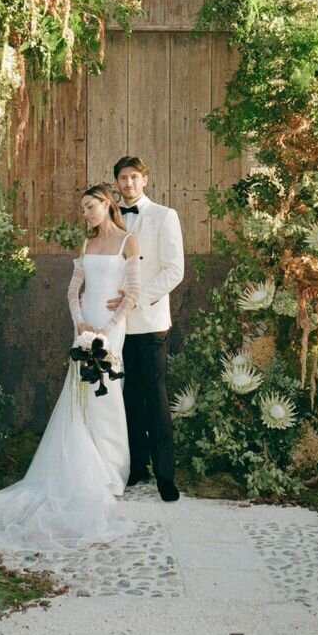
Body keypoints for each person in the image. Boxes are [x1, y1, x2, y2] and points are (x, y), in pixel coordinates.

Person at [0, 184, 140, 552]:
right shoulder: (86, 245)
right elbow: (73, 291)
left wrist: (106, 328)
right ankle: (84, 467)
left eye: (90, 206)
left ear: (106, 204)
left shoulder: (128, 241)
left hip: (112, 327)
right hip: (84, 326)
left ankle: (110, 472)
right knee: (80, 391)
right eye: (83, 208)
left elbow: (132, 292)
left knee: (106, 391)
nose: (85, 213)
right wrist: (81, 324)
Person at [109, 156, 184, 502]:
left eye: (134, 177)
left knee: (155, 399)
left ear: (145, 180)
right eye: (122, 178)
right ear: (117, 183)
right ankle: (135, 468)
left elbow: (174, 271)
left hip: (150, 321)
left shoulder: (164, 216)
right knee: (127, 399)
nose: (128, 183)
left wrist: (136, 298)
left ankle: (165, 477)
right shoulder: (110, 217)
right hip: (117, 324)